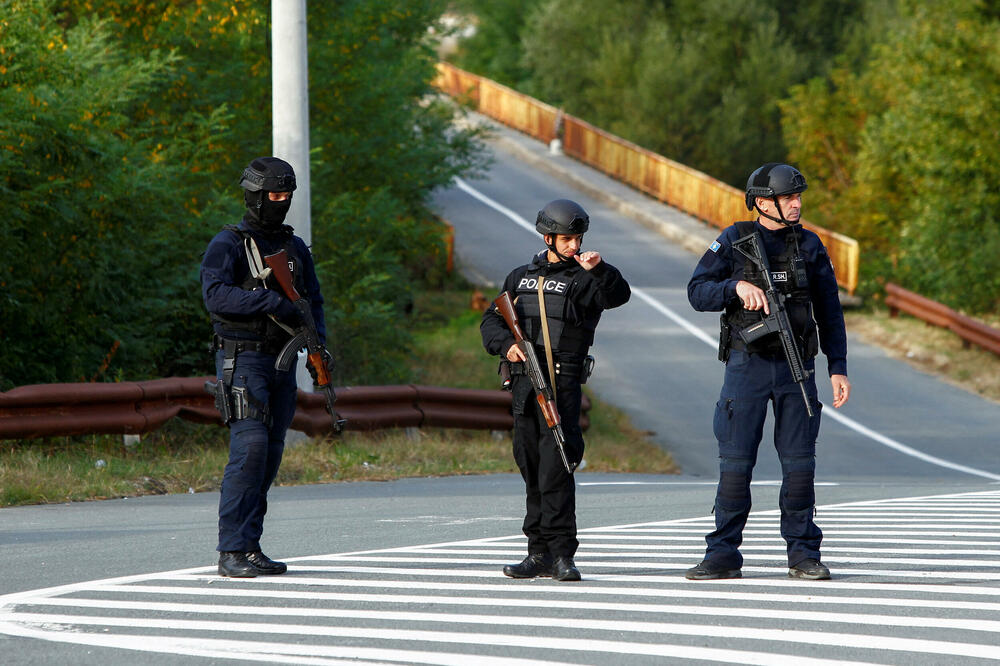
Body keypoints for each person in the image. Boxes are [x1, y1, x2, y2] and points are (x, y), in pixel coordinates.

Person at [685, 163, 851, 581]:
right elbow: (696, 291)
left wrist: (838, 367)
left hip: (798, 370)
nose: (797, 204)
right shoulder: (733, 240)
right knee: (736, 465)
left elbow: (830, 312)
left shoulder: (811, 245)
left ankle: (803, 554)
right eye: (789, 198)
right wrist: (734, 288)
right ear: (763, 202)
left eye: (799, 197)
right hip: (747, 367)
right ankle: (722, 554)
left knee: (799, 467)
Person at [481, 199, 631, 582]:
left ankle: (563, 553)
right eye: (566, 238)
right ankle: (537, 553)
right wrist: (506, 345)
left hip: (561, 386)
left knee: (558, 468)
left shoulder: (586, 279)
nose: (573, 245)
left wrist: (601, 271)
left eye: (577, 238)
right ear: (548, 237)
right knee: (530, 467)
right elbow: (491, 321)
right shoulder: (519, 277)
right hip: (524, 386)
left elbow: (617, 296)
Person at [200, 156, 328, 578]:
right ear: (255, 195)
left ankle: (250, 546)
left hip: (283, 361)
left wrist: (318, 346)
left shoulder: (293, 247)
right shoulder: (229, 243)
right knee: (250, 449)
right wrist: (269, 301)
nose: (282, 202)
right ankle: (231, 550)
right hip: (243, 360)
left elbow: (313, 301)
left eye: (287, 195)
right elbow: (216, 296)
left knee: (270, 455)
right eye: (274, 195)